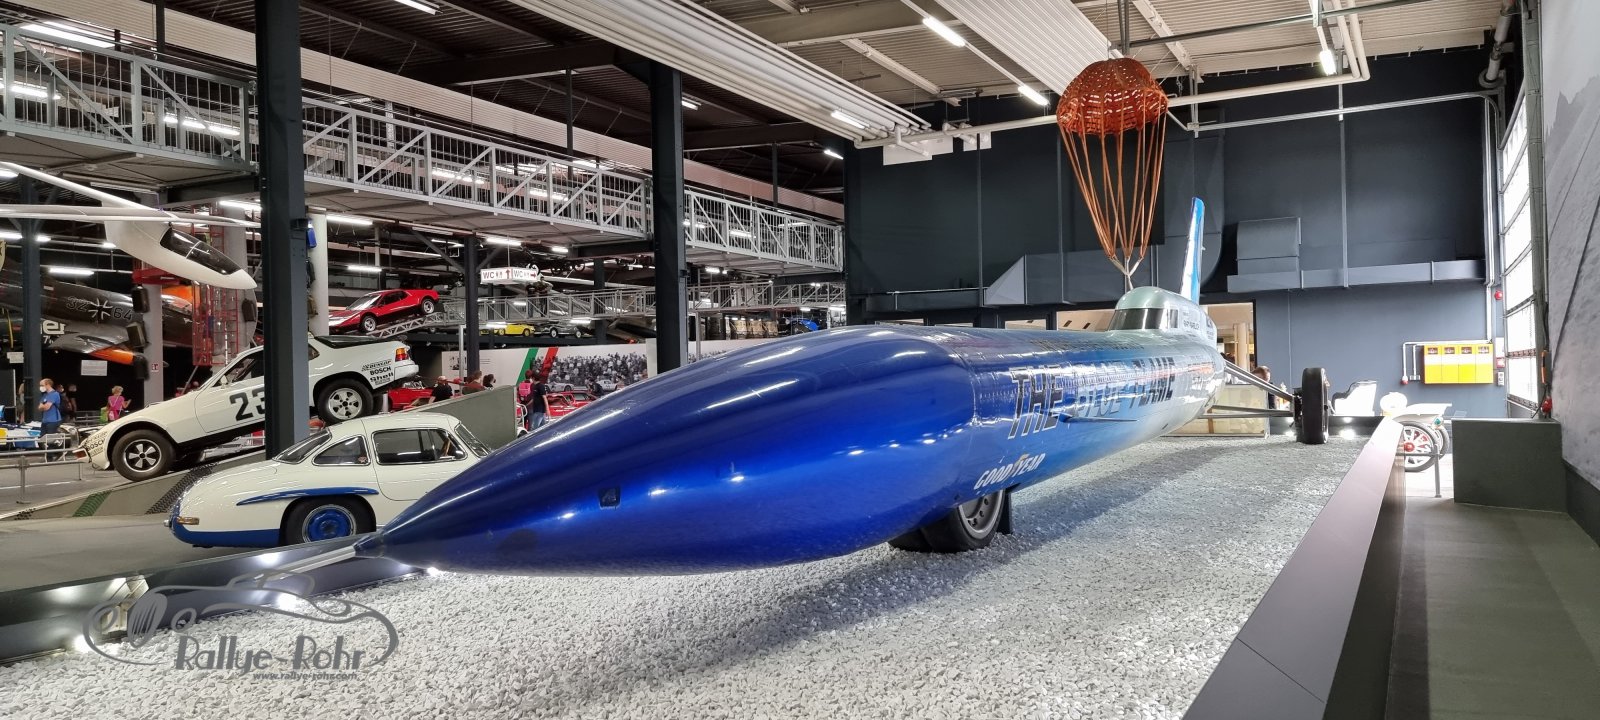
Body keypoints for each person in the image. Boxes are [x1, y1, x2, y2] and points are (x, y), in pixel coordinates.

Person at [37, 378, 62, 459]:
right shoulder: (44, 395)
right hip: (45, 420)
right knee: (42, 439)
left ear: (48, 385)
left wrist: (43, 406)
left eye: (42, 385)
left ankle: (50, 456)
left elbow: (47, 407)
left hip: (53, 420)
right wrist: (44, 406)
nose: (40, 387)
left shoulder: (54, 394)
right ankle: (58, 451)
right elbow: (39, 407)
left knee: (50, 439)